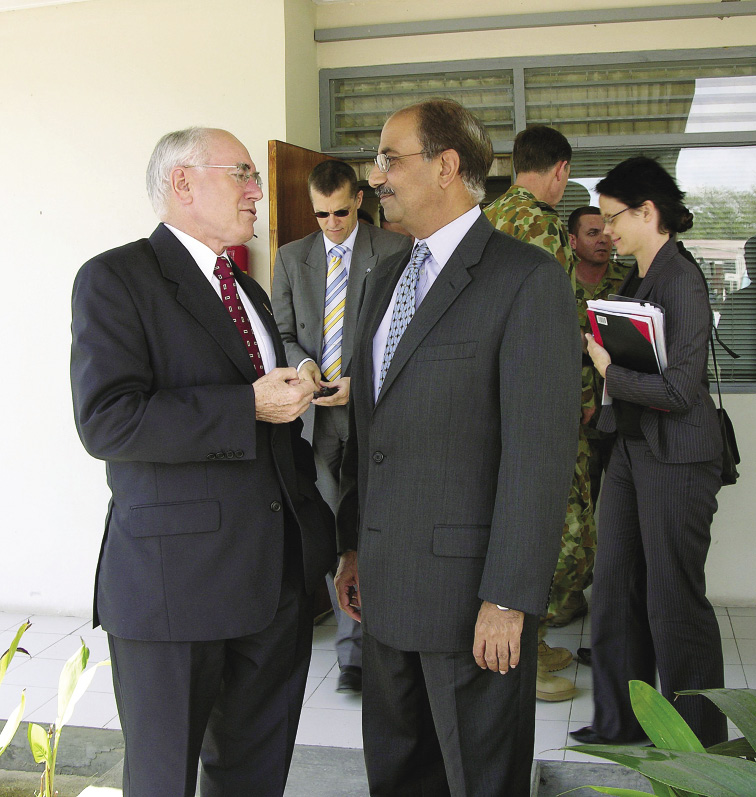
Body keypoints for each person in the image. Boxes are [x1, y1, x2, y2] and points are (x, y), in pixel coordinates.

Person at [70, 127, 336, 797]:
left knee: (254, 774)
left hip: (274, 584)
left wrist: (323, 543)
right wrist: (243, 405)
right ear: (182, 184)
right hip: (173, 590)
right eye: (239, 173)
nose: (256, 190)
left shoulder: (247, 287)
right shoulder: (116, 278)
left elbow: (277, 432)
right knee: (163, 780)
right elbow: (107, 419)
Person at [334, 99, 581, 796]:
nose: (375, 177)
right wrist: (355, 546)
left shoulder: (524, 280)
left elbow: (538, 454)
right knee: (400, 772)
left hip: (472, 604)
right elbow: (373, 434)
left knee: (478, 779)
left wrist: (508, 596)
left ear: (446, 166)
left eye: (389, 158)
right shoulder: (384, 278)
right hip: (385, 592)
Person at [572, 156, 727, 747]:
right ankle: (622, 719)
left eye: (614, 217)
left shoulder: (681, 278)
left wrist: (609, 371)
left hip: (678, 459)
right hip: (634, 452)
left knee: (672, 600)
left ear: (647, 212)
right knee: (613, 589)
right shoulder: (638, 277)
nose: (606, 230)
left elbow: (682, 389)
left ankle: (696, 740)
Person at [272, 160, 411, 693]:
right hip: (316, 414)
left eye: (339, 212)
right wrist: (304, 367)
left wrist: (362, 379)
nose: (330, 223)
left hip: (373, 410)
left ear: (359, 200)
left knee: (375, 522)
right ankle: (352, 652)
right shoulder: (291, 258)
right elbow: (281, 330)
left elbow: (402, 334)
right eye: (321, 214)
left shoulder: (394, 251)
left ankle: (383, 639)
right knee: (332, 528)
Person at [484, 125, 595, 701]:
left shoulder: (487, 215)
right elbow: (557, 325)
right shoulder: (545, 226)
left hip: (492, 400)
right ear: (559, 170)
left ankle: (530, 634)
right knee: (565, 530)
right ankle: (524, 650)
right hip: (543, 400)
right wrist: (578, 403)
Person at [568, 206, 630, 507]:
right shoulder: (559, 285)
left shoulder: (628, 283)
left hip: (623, 412)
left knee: (626, 504)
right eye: (592, 233)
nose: (603, 239)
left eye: (606, 232)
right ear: (573, 241)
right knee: (582, 506)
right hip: (578, 416)